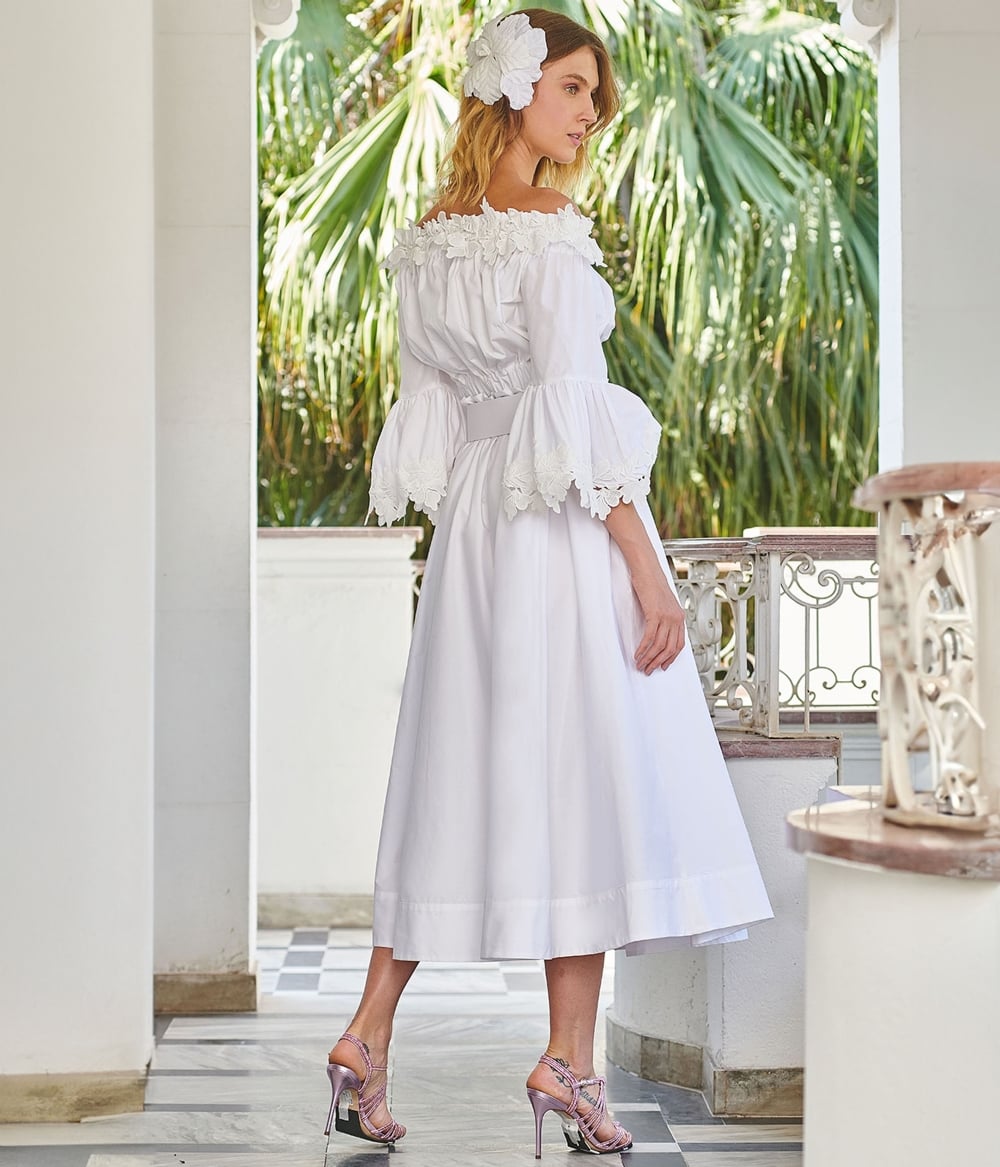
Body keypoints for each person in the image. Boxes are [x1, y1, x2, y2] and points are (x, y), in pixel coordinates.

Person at [324, 8, 773, 1157]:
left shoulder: (426, 242)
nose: (589, 114)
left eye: (593, 96)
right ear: (517, 91)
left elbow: (434, 422)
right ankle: (567, 1064)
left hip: (476, 538)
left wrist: (478, 531)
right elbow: (572, 417)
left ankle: (367, 1033)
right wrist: (649, 576)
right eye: (573, 87)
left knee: (452, 777)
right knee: (587, 779)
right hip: (563, 532)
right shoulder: (550, 236)